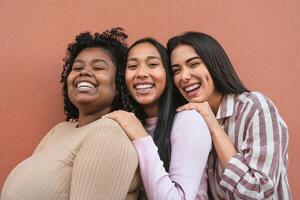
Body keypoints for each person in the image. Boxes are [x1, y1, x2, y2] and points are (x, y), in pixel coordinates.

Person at [1, 28, 140, 200]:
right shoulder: (59, 130)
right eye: (77, 67)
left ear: (118, 84)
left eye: (98, 67)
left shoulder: (109, 133)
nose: (84, 72)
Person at [167, 31, 291, 199]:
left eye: (194, 64)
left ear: (214, 64)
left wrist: (214, 127)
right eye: (176, 70)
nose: (184, 76)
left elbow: (258, 192)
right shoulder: (189, 121)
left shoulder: (255, 107)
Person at [104, 38, 212, 199]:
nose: (141, 74)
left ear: (167, 73)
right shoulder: (124, 123)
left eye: (153, 64)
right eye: (132, 66)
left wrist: (141, 138)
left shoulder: (188, 121)